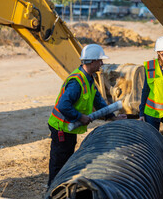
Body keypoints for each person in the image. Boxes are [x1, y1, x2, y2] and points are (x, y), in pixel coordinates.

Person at [47, 44, 117, 187]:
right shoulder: (77, 82)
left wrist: (111, 116)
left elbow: (97, 99)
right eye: (100, 61)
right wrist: (80, 117)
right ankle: (51, 191)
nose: (102, 64)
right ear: (92, 62)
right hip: (62, 127)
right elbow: (63, 105)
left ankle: (61, 186)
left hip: (69, 127)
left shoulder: (88, 79)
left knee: (66, 160)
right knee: (59, 162)